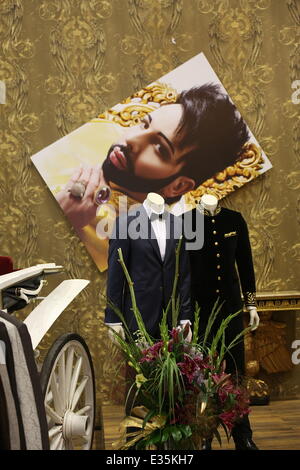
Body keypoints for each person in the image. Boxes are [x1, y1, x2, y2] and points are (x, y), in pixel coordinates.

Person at [56, 83, 249, 232]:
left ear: (178, 186)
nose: (130, 139)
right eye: (144, 125)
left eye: (159, 148)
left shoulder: (143, 238)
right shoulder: (94, 131)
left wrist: (65, 219)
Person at [186, 194, 260, 450]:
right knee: (202, 374)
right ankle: (204, 435)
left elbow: (245, 263)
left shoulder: (234, 220)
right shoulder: (188, 222)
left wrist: (251, 303)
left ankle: (243, 435)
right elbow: (184, 271)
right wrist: (185, 313)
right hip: (202, 310)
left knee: (236, 372)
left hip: (230, 307)